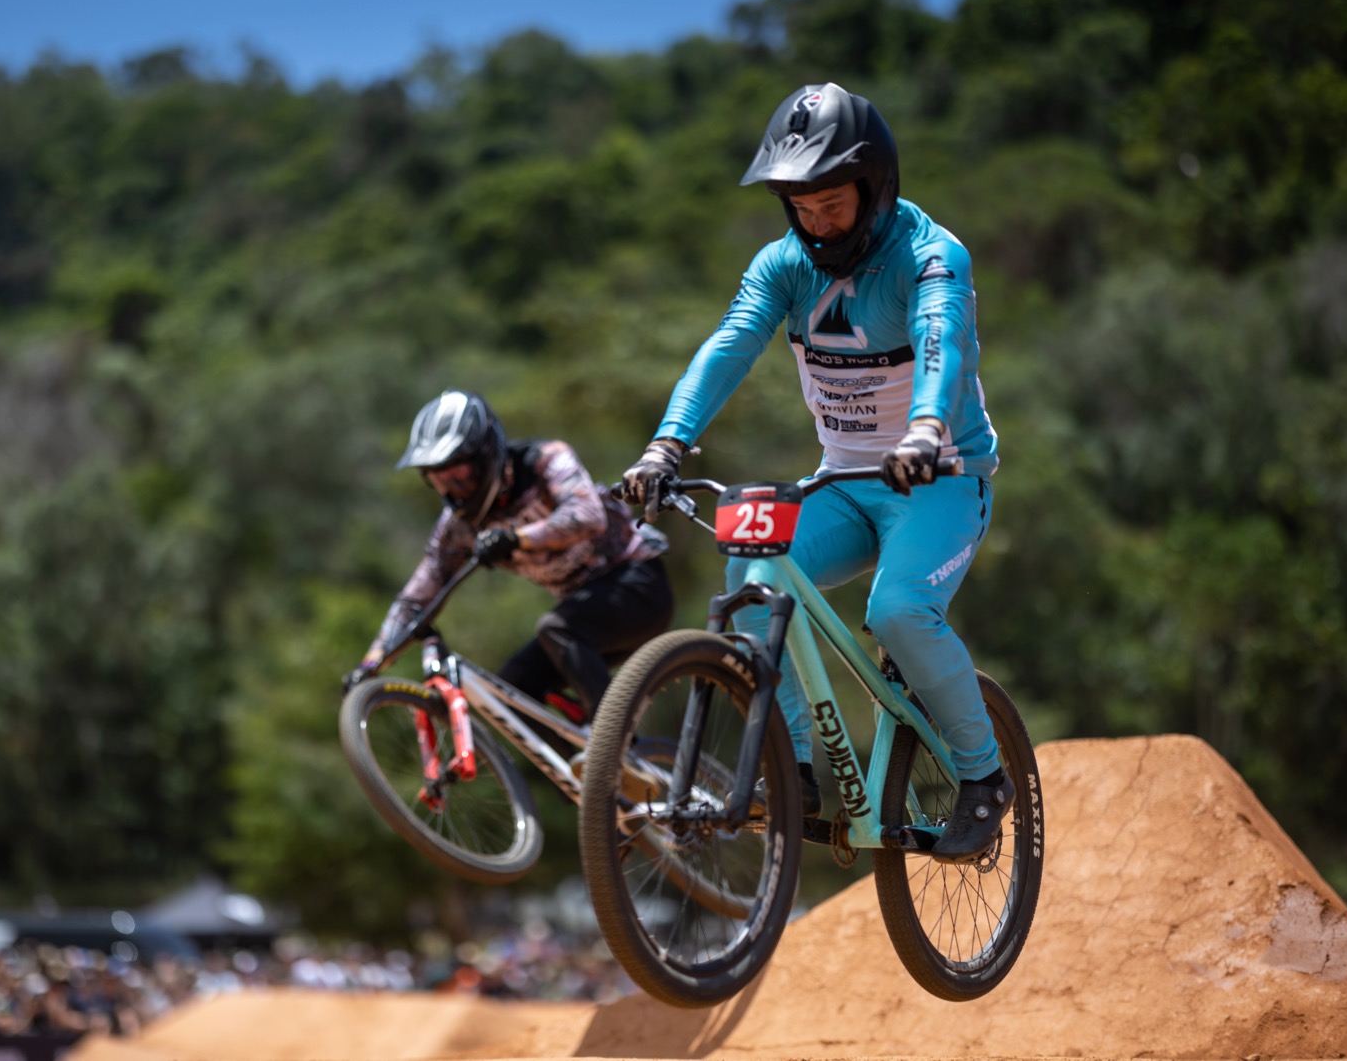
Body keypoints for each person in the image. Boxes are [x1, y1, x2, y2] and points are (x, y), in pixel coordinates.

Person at [619, 83, 1012, 861]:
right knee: (750, 580)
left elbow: (944, 340)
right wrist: (666, 444)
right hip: (845, 481)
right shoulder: (783, 265)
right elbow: (728, 345)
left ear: (876, 186)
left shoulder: (931, 255)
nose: (818, 221)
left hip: (940, 477)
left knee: (898, 611)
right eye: (801, 205)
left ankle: (984, 776)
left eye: (832, 203)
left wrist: (927, 427)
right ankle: (791, 767)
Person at [344, 389, 673, 729]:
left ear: (486, 455)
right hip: (583, 619)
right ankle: (590, 775)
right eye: (437, 477)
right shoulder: (459, 528)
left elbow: (588, 515)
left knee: (558, 628)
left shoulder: (545, 460)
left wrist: (517, 539)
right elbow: (417, 598)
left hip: (638, 585)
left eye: (457, 472)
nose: (450, 488)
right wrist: (370, 666)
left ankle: (614, 746)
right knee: (510, 694)